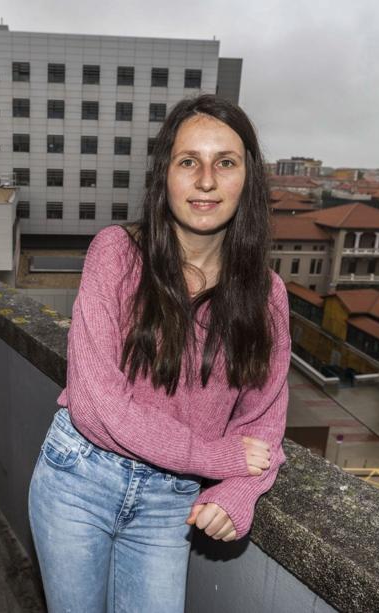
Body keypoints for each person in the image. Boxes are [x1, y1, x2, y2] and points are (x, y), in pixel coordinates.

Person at [28, 95, 291, 612]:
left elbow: (263, 423)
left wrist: (241, 490)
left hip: (171, 504)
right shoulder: (116, 254)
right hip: (81, 478)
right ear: (165, 175)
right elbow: (97, 403)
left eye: (226, 163)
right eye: (189, 161)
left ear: (249, 179)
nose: (207, 180)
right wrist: (217, 457)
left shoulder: (268, 296)